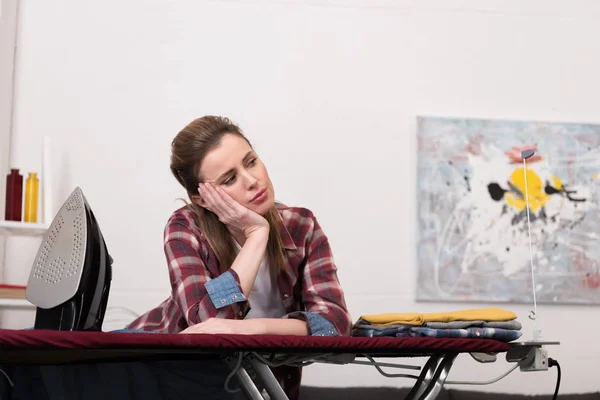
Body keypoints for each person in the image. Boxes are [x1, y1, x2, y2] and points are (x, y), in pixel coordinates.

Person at [126, 115, 352, 399]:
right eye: (230, 179)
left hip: (259, 387)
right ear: (202, 199)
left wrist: (246, 329)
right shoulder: (185, 227)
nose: (252, 181)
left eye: (251, 161)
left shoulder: (301, 225)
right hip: (160, 375)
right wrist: (257, 235)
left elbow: (335, 326)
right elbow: (207, 323)